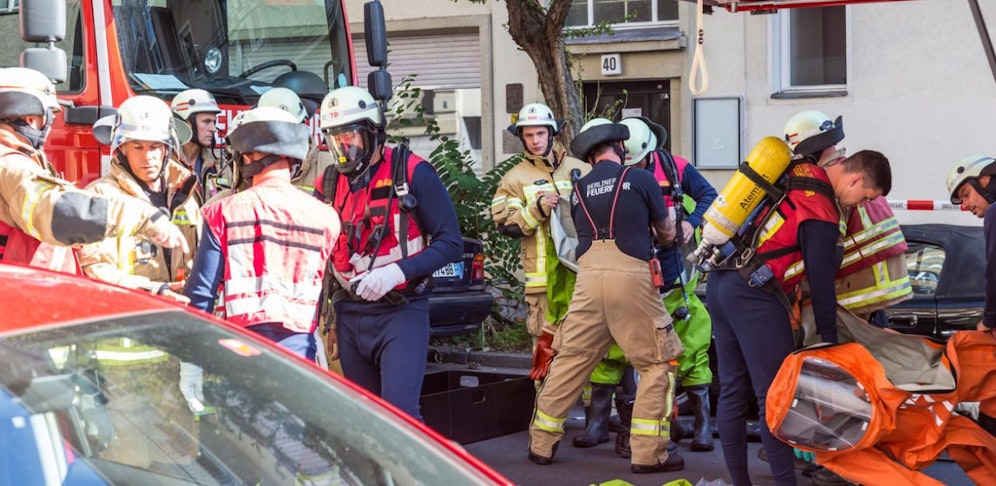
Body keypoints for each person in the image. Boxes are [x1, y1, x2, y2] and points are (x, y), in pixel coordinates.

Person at [706, 144, 892, 486]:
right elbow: (821, 286)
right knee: (774, 397)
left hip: (721, 282)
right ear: (854, 179)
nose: (862, 206)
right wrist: (830, 345)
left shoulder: (796, 172)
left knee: (733, 388)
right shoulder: (821, 209)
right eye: (866, 197)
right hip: (755, 297)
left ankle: (740, 483)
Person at [527, 120, 684, 474]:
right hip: (630, 277)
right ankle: (648, 454)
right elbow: (666, 231)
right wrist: (670, 225)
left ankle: (541, 443)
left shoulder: (579, 189)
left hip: (588, 280)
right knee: (657, 363)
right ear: (620, 148)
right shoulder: (641, 179)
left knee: (571, 361)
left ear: (592, 156)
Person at [315, 86, 461, 421]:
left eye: (351, 137)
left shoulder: (413, 172)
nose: (345, 149)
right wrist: (330, 320)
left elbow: (450, 241)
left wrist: (398, 272)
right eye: (336, 140)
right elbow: (324, 257)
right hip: (349, 314)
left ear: (375, 133)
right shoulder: (328, 183)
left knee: (401, 416)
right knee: (364, 419)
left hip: (401, 311)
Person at [184, 107, 340, 361]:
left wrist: (190, 362)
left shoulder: (221, 212)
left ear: (249, 156)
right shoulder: (326, 217)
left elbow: (201, 296)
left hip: (239, 358)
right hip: (301, 358)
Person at [0, 67, 187, 272]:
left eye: (155, 147)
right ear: (29, 116)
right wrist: (145, 217)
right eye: (47, 116)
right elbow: (58, 210)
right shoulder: (11, 165)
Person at [491, 102, 589, 377]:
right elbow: (506, 224)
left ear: (551, 134)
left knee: (588, 343)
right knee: (545, 349)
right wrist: (538, 208)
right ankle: (546, 413)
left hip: (582, 275)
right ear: (522, 138)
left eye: (540, 134)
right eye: (529, 135)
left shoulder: (578, 168)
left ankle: (595, 408)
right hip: (542, 281)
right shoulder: (514, 179)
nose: (535, 141)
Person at [78, 95, 200, 303]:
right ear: (122, 148)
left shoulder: (184, 195)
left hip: (181, 316)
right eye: (138, 147)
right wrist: (152, 290)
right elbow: (94, 268)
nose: (148, 157)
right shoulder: (101, 196)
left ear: (167, 149)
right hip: (129, 315)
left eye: (155, 147)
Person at [257, 87, 333, 194]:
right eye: (274, 132)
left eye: (287, 130)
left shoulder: (330, 167)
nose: (281, 138)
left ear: (303, 125)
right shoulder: (247, 166)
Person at [171, 88, 228, 201]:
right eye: (206, 121)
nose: (213, 129)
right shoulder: (166, 164)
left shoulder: (221, 164)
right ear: (184, 123)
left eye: (214, 122)